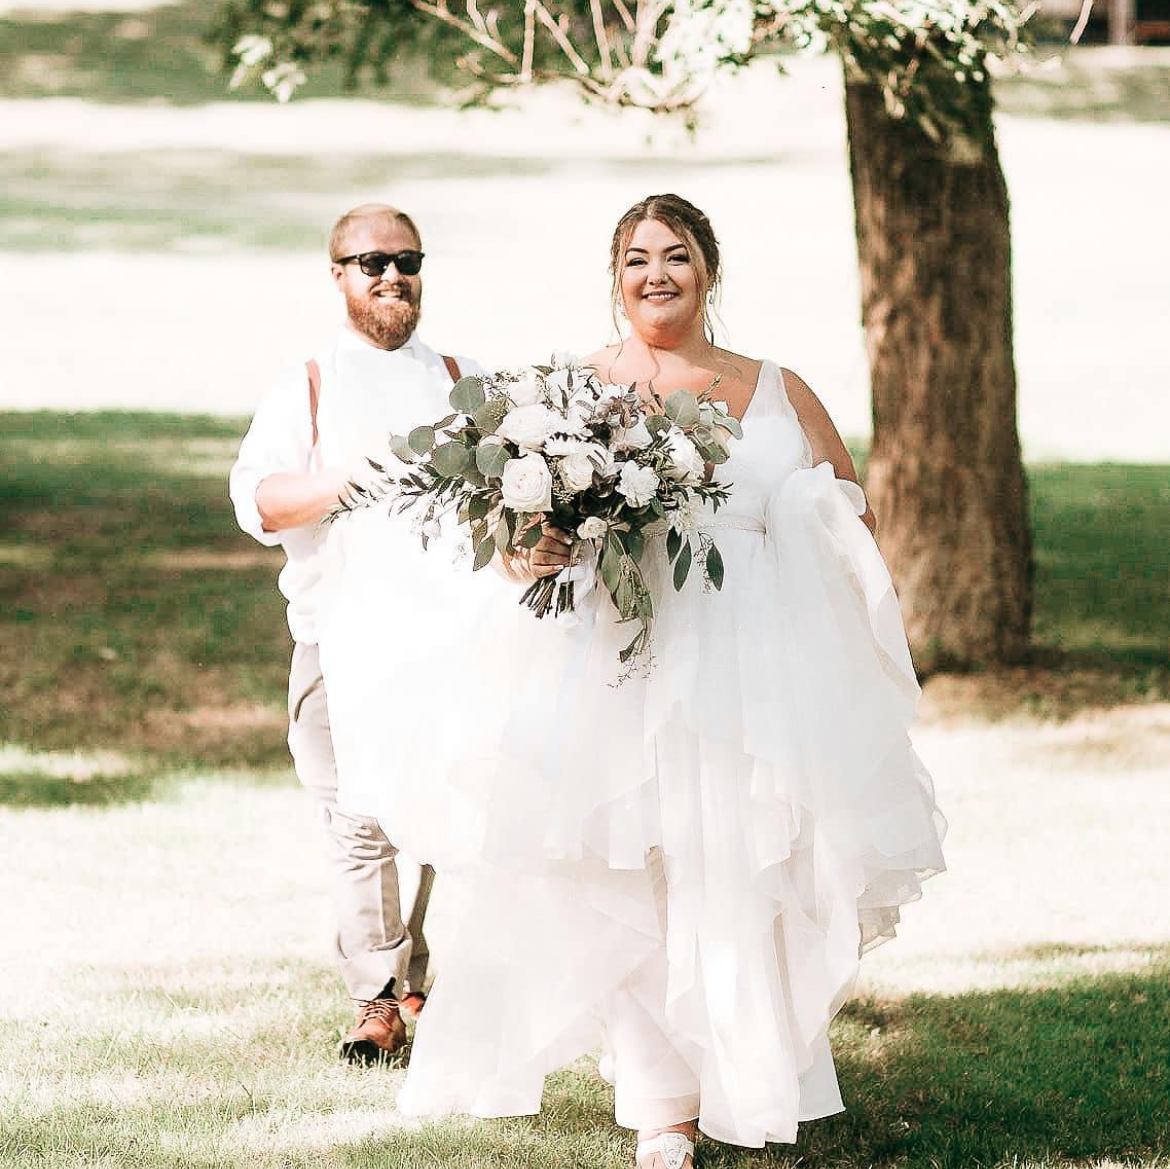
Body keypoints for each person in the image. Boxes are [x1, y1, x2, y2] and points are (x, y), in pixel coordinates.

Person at [316, 193, 946, 1166]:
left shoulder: (777, 387)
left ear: (710, 269)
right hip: (614, 666)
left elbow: (846, 516)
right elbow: (514, 550)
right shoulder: (571, 392)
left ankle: (746, 1071)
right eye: (638, 257)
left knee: (742, 869)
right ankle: (666, 1110)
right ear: (615, 276)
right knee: (631, 875)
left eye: (678, 254)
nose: (658, 272)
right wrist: (541, 539)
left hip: (752, 672)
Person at [229, 202, 483, 1063]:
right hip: (336, 640)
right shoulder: (308, 383)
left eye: (407, 260)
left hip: (450, 640)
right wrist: (350, 479)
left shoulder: (461, 378)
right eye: (370, 261)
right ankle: (376, 995)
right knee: (354, 817)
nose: (391, 276)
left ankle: (413, 964)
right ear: (337, 275)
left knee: (443, 810)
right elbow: (259, 501)